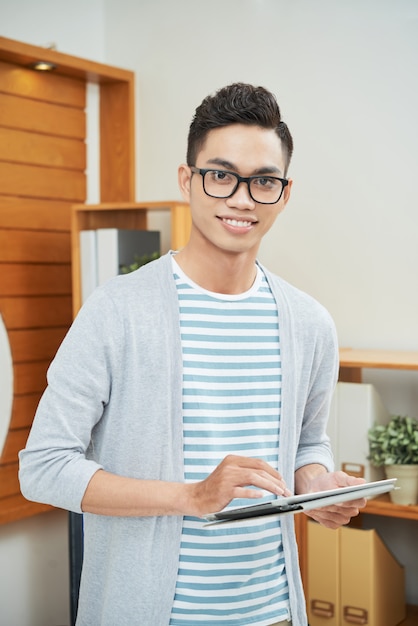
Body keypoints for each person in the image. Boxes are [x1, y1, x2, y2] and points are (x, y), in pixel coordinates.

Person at [19, 83, 366, 626]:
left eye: (263, 181)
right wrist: (192, 495)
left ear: (285, 191)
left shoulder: (310, 323)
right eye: (221, 174)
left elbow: (307, 444)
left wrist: (316, 485)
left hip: (272, 612)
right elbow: (43, 468)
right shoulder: (116, 311)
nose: (242, 197)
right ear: (188, 180)